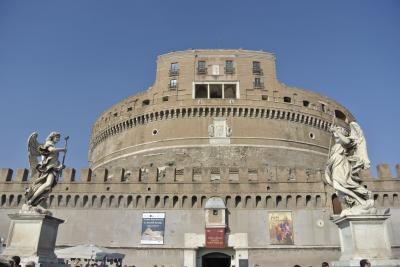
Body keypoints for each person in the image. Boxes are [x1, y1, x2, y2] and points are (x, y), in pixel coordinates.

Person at [26, 132, 67, 206]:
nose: (58, 139)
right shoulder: (48, 143)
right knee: (48, 184)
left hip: (53, 167)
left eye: (59, 138)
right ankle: (32, 199)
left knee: (48, 185)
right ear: (52, 137)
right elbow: (51, 150)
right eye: (57, 137)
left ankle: (35, 200)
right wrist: (62, 149)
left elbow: (54, 159)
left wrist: (60, 166)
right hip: (48, 167)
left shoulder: (53, 145)